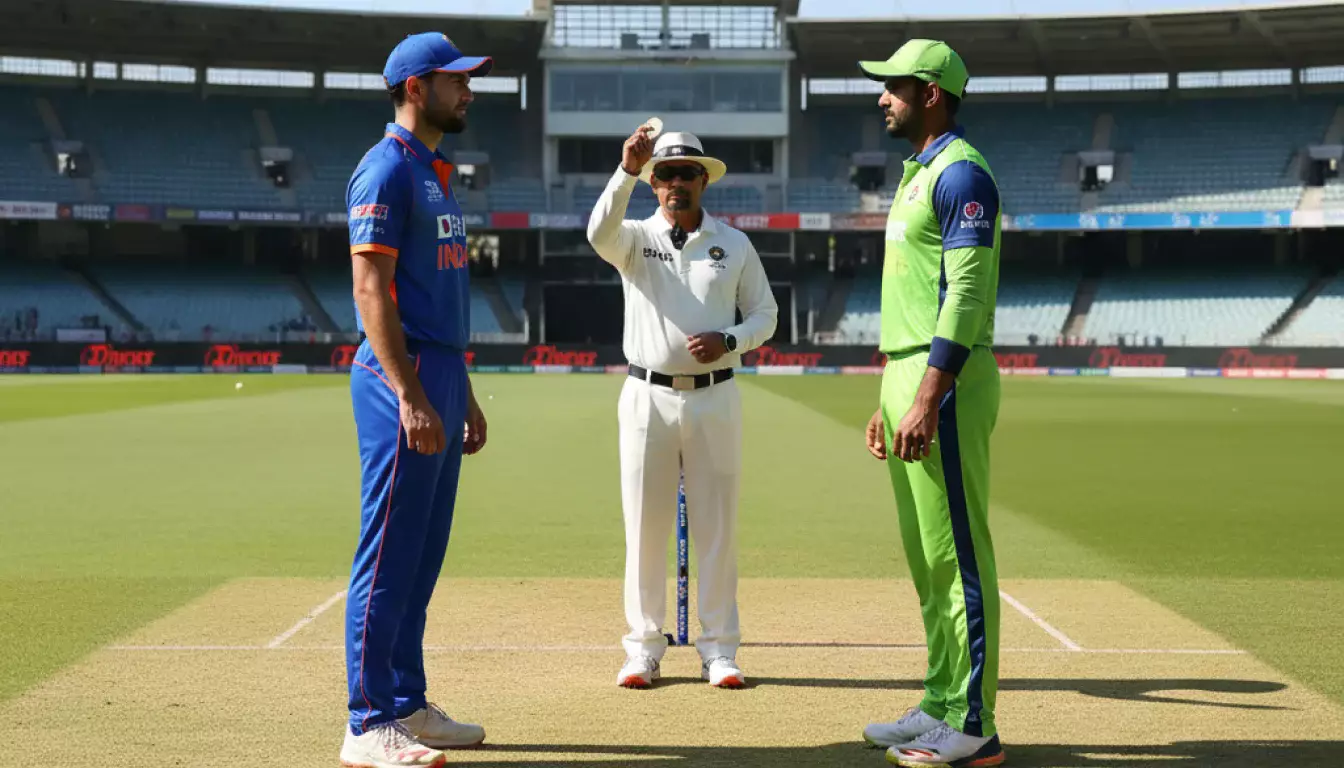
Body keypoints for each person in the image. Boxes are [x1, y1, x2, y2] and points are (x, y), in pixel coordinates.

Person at [341, 31, 492, 768]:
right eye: (455, 80)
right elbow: (370, 287)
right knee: (387, 552)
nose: (468, 91)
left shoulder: (433, 172)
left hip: (442, 372)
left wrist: (464, 393)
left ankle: (405, 703)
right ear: (415, 88)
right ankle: (366, 722)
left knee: (422, 553)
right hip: (399, 376)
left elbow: (438, 296)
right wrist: (410, 391)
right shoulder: (385, 169)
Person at [855, 40, 1007, 768]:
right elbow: (917, 294)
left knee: (958, 554)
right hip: (909, 374)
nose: (882, 97)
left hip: (944, 382)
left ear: (932, 93)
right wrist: (890, 396)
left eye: (895, 86)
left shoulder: (962, 173)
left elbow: (967, 292)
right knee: (927, 558)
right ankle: (942, 701)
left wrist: (925, 394)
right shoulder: (919, 173)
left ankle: (974, 723)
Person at [587, 127, 778, 691]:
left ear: (703, 180)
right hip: (646, 397)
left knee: (716, 527)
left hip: (715, 395)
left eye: (686, 174)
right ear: (654, 184)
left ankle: (719, 650)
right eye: (665, 174)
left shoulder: (733, 244)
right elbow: (597, 232)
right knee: (645, 526)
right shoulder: (633, 238)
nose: (676, 183)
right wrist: (626, 170)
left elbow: (765, 315)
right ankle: (644, 649)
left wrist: (730, 339)